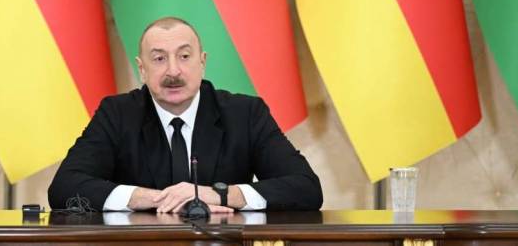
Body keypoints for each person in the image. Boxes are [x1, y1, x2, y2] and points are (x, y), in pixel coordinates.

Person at [48, 17, 322, 212]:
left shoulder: (245, 113)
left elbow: (306, 188)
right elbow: (64, 188)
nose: (173, 71)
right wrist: (156, 199)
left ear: (202, 62)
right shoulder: (118, 114)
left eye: (184, 56)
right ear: (142, 69)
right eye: (159, 59)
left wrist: (218, 195)